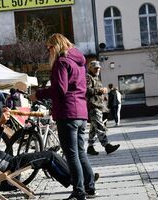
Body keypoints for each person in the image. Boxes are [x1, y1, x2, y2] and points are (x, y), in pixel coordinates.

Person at [29, 33, 96, 200]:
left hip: (67, 113)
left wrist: (39, 94)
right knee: (80, 153)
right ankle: (90, 186)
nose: (48, 51)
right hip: (80, 112)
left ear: (55, 46)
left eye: (49, 48)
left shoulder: (61, 62)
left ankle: (79, 191)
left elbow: (60, 89)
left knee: (71, 154)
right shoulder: (79, 63)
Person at [0, 108, 71, 191]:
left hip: (12, 162)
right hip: (12, 165)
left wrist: (1, 121)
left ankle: (71, 180)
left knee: (46, 161)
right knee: (50, 155)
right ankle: (74, 180)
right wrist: (1, 123)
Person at [86, 60, 120, 156]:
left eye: (99, 68)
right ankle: (106, 146)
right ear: (90, 68)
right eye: (95, 68)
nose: (98, 70)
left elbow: (95, 91)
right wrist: (99, 90)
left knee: (93, 128)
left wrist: (102, 95)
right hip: (93, 106)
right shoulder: (88, 77)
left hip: (98, 105)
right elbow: (87, 90)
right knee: (100, 126)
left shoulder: (96, 77)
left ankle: (90, 147)